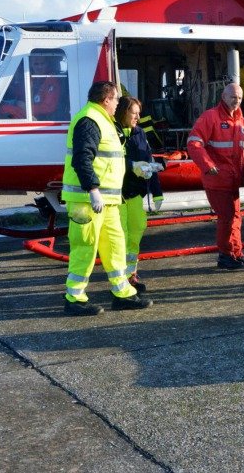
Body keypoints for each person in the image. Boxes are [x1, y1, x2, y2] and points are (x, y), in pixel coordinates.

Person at [61, 81, 152, 316]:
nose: (118, 105)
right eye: (116, 100)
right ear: (106, 99)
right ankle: (74, 297)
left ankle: (122, 293)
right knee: (85, 248)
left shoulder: (104, 121)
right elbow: (82, 158)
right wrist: (92, 189)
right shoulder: (90, 120)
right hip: (87, 200)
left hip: (108, 201)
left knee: (115, 245)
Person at [187, 83, 244, 270]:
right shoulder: (210, 117)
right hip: (217, 179)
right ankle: (225, 255)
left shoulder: (240, 120)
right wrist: (208, 166)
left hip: (232, 179)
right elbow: (194, 143)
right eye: (233, 97)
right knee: (227, 217)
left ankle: (236, 253)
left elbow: (238, 153)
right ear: (223, 97)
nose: (237, 101)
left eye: (239, 98)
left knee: (236, 217)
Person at [115, 96, 164, 292]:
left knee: (135, 232)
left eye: (138, 113)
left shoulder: (140, 134)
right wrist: (131, 166)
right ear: (122, 112)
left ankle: (130, 274)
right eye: (133, 113)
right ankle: (119, 278)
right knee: (120, 237)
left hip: (135, 193)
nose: (137, 117)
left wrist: (157, 193)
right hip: (117, 194)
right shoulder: (113, 133)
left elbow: (149, 163)